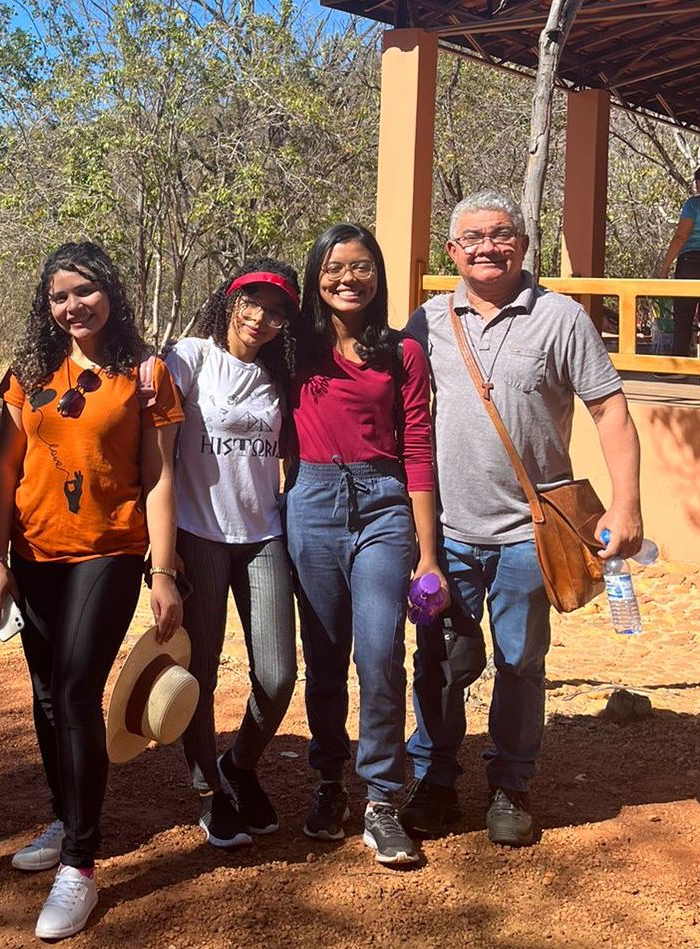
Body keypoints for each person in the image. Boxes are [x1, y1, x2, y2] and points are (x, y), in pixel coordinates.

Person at [403, 191, 643, 847]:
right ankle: (434, 779)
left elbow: (610, 409)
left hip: (530, 537)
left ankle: (510, 784)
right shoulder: (426, 321)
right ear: (451, 251)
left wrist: (626, 502)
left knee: (519, 662)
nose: (488, 246)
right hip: (444, 536)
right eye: (473, 237)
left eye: (501, 233)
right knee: (440, 660)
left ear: (524, 244)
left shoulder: (561, 319)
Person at [0, 242, 184, 940]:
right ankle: (65, 814)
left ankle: (80, 864)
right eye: (60, 296)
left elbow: (158, 477)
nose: (73, 306)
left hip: (110, 549)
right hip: (35, 550)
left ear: (111, 292)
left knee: (73, 691)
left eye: (85, 291)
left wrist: (163, 569)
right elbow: (5, 469)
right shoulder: (28, 375)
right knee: (46, 693)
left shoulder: (145, 374)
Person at [285, 224, 441, 867]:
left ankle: (381, 798)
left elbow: (418, 448)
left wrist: (428, 555)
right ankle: (329, 782)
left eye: (361, 266)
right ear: (315, 277)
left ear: (378, 275)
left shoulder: (403, 352)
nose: (347, 278)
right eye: (333, 267)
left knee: (380, 654)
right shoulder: (293, 347)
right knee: (323, 658)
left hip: (384, 506)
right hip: (311, 503)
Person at [162, 259, 299, 850]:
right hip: (198, 533)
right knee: (200, 669)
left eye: (276, 312)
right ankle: (207, 789)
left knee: (277, 673)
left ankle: (239, 763)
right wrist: (161, 553)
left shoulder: (279, 375)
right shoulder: (189, 358)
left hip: (263, 534)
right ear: (229, 300)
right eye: (251, 303)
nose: (260, 319)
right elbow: (157, 452)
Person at [657, 162, 700, 358]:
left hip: (690, 264)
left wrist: (665, 267)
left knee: (683, 317)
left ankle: (679, 362)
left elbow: (681, 236)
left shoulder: (694, 204)